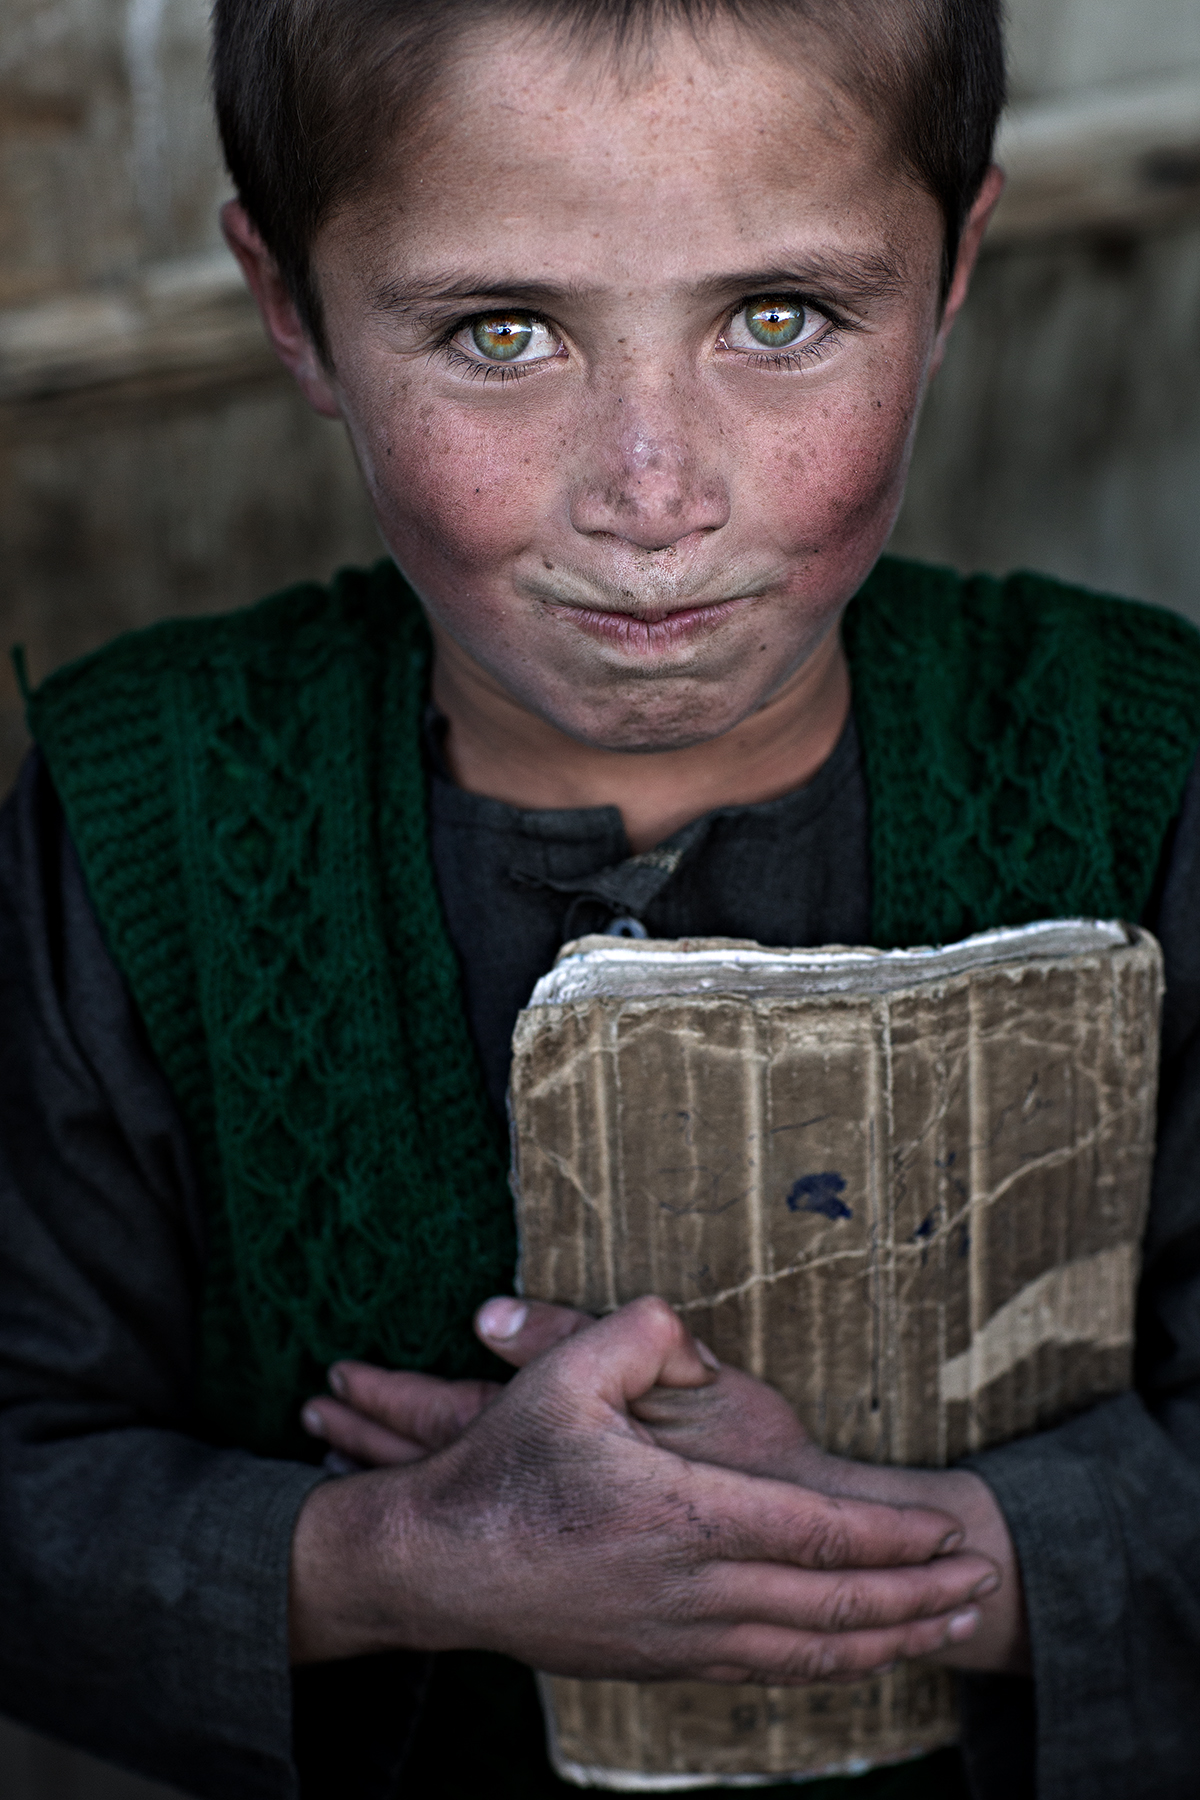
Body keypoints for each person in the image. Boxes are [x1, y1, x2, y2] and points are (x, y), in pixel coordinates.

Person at [1, 2, 1199, 1797]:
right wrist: (401, 1561)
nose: (653, 492)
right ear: (290, 306)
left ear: (951, 272)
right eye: (503, 330)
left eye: (777, 317)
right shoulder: (136, 816)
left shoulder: (1149, 771)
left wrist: (930, 1562)